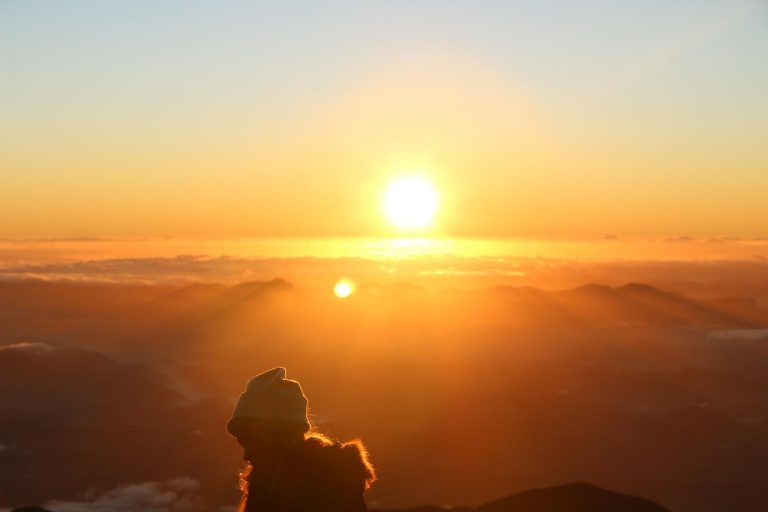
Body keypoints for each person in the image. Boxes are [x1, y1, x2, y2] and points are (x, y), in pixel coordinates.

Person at [227, 367, 376, 512]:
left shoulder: (332, 483)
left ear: (282, 437)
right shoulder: (265, 481)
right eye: (243, 443)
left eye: (254, 442)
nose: (246, 455)